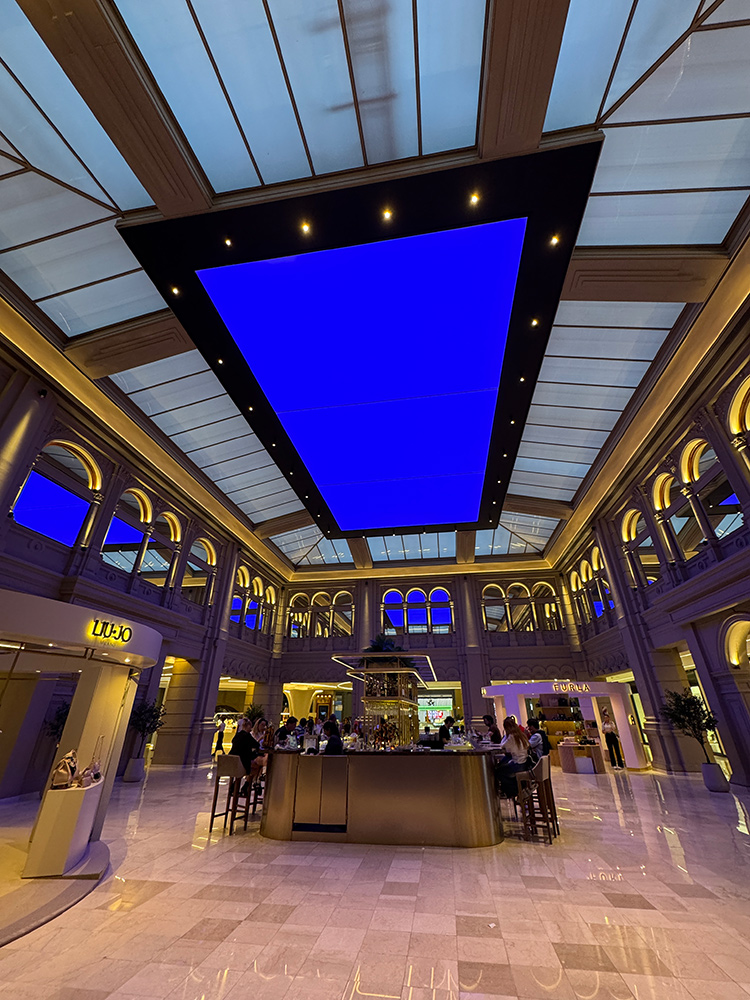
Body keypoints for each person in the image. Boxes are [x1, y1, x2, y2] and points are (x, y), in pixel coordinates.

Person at [229, 718, 263, 790]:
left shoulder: (237, 735)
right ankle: (248, 784)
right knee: (256, 766)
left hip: (232, 762)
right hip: (242, 761)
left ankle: (236, 784)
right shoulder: (247, 735)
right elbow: (256, 745)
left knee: (252, 765)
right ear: (248, 726)